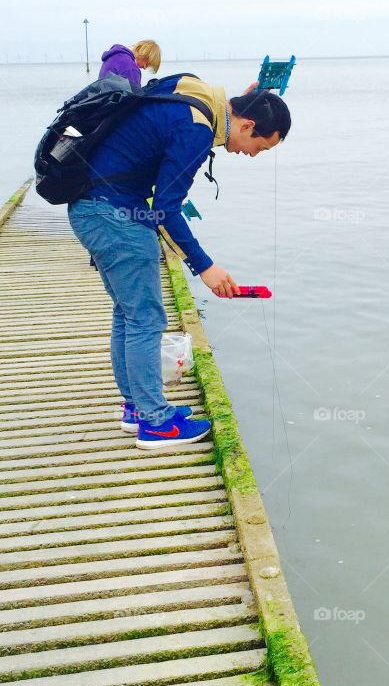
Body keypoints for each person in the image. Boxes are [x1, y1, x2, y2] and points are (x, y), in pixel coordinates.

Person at [67, 75, 291, 452]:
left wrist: (256, 96)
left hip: (92, 207)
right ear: (248, 125)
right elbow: (166, 210)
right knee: (146, 319)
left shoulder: (195, 92)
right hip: (115, 216)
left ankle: (138, 410)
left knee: (129, 314)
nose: (252, 155)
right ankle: (156, 425)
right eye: (259, 147)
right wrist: (205, 266)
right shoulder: (196, 131)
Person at [97, 40, 161, 87]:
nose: (144, 68)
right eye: (147, 64)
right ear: (144, 54)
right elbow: (134, 99)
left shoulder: (114, 56)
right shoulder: (131, 68)